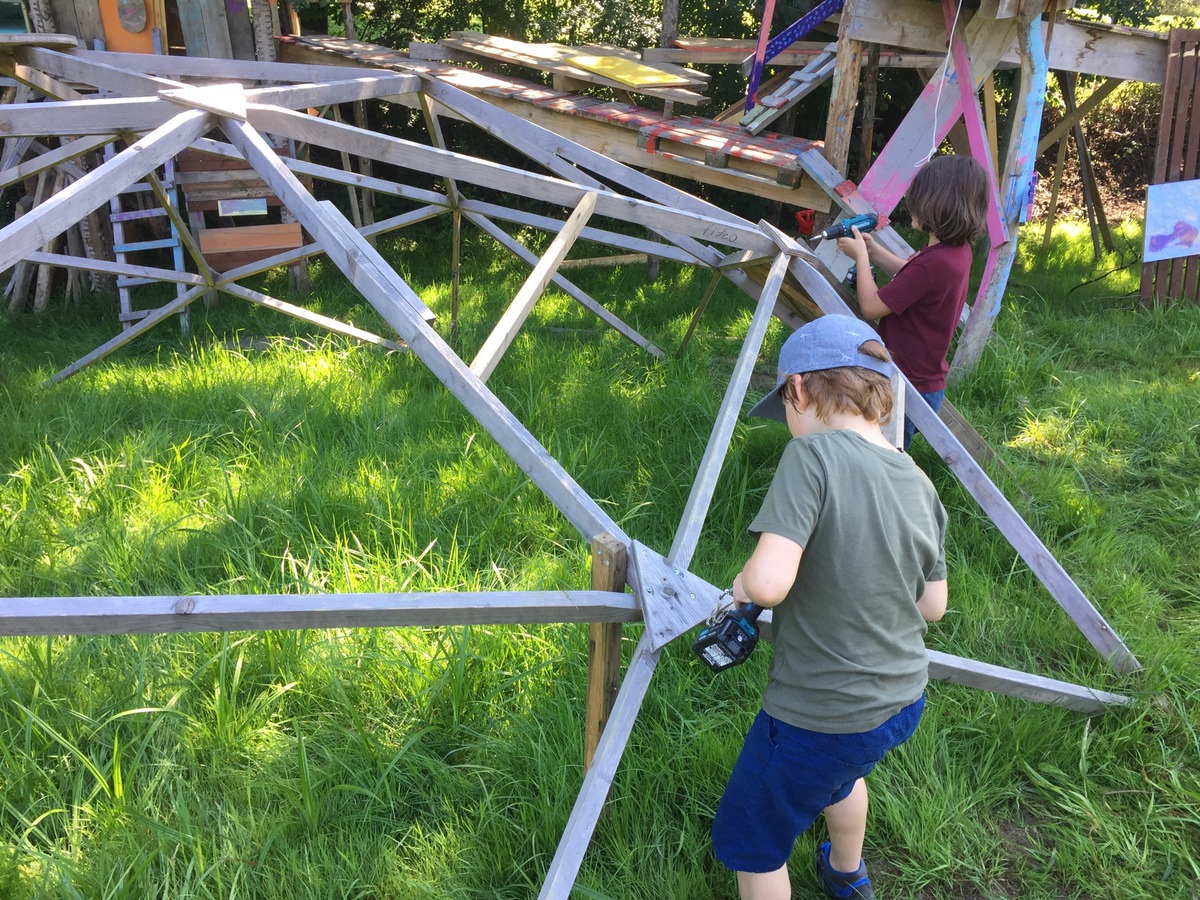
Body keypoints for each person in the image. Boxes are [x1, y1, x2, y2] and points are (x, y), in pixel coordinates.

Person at [711, 315, 949, 900]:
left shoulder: (811, 457)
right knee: (844, 774)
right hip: (899, 700)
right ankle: (846, 873)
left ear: (796, 390)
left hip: (819, 711)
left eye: (786, 406)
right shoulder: (918, 479)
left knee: (754, 841)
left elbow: (768, 583)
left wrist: (741, 583)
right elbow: (934, 605)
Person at [836, 153, 989, 450]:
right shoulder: (953, 252)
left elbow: (870, 307)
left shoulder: (934, 264)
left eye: (917, 199)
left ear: (936, 206)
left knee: (886, 456)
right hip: (924, 382)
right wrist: (875, 250)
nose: (912, 206)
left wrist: (862, 258)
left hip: (905, 387)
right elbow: (911, 279)